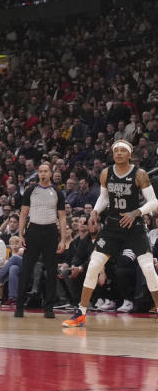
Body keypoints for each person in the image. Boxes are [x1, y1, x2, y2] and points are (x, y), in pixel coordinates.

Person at [62, 139, 158, 327]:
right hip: (112, 226)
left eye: (123, 150)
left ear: (130, 154)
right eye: (116, 151)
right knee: (93, 266)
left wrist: (136, 212)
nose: (119, 153)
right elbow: (104, 198)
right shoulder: (106, 173)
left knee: (147, 268)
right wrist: (95, 211)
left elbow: (154, 202)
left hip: (134, 226)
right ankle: (81, 312)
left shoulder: (140, 174)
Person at [14, 162, 67, 318]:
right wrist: (21, 234)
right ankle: (19, 307)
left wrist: (62, 239)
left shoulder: (57, 192)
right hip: (33, 231)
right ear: (38, 174)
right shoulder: (31, 190)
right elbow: (23, 214)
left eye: (46, 171)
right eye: (41, 171)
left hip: (51, 231)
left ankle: (49, 308)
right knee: (26, 270)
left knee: (51, 271)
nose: (43, 173)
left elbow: (62, 218)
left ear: (50, 173)